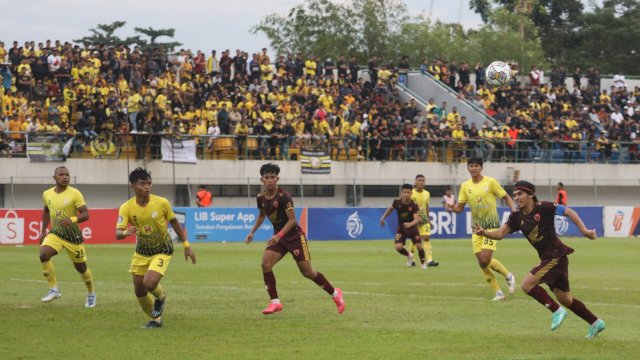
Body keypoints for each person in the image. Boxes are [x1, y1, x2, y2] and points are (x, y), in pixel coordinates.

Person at [473, 181, 606, 338]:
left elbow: (569, 212)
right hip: (551, 258)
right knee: (566, 298)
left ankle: (556, 311)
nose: (516, 198)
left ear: (530, 195)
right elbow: (500, 234)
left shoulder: (544, 207)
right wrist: (484, 233)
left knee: (526, 285)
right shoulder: (516, 216)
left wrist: (584, 230)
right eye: (514, 195)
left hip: (555, 256)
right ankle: (596, 323)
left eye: (519, 194)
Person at [245, 163, 345, 315]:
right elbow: (262, 214)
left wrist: (279, 235)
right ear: (262, 180)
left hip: (294, 236)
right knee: (266, 264)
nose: (270, 180)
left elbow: (292, 220)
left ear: (277, 178)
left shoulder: (284, 196)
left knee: (307, 272)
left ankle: (335, 294)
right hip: (279, 238)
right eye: (267, 177)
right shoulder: (260, 198)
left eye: (272, 177)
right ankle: (275, 302)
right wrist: (252, 232)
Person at [116, 168, 197, 328]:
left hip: (162, 248)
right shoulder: (126, 207)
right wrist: (125, 232)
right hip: (142, 251)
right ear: (133, 186)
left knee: (149, 284)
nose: (147, 186)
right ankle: (155, 320)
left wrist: (186, 245)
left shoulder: (162, 202)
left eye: (149, 183)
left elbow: (174, 222)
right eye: (142, 183)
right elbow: (118, 233)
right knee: (139, 290)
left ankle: (161, 297)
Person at [447, 157, 517, 300]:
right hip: (476, 227)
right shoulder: (465, 186)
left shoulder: (490, 182)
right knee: (481, 262)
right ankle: (498, 293)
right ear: (468, 168)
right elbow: (459, 208)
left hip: (491, 225)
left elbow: (506, 197)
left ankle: (508, 275)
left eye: (476, 166)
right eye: (471, 166)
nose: (473, 168)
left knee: (485, 259)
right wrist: (451, 208)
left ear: (481, 168)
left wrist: (513, 210)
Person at [39, 166, 96, 307]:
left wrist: (72, 219)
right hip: (56, 233)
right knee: (43, 254)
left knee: (81, 268)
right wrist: (43, 230)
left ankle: (91, 293)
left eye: (67, 175)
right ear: (55, 178)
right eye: (61, 174)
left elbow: (86, 214)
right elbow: (46, 211)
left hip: (73, 236)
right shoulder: (47, 194)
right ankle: (54, 289)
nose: (65, 177)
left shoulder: (75, 193)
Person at [380, 184, 427, 269]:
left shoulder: (414, 204)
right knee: (398, 247)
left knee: (419, 246)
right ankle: (409, 255)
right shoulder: (397, 202)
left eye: (408, 192)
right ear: (402, 193)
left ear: (411, 193)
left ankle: (423, 264)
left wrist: (410, 224)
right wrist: (382, 218)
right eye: (404, 192)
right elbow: (390, 209)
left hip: (412, 228)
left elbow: (418, 219)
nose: (406, 194)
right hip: (401, 228)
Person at [409, 175, 439, 267]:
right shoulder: (411, 193)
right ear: (415, 182)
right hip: (413, 219)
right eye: (419, 180)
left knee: (426, 237)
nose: (421, 182)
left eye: (423, 180)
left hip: (424, 219)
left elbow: (426, 207)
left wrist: (429, 220)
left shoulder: (427, 193)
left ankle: (430, 260)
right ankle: (411, 259)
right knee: (415, 240)